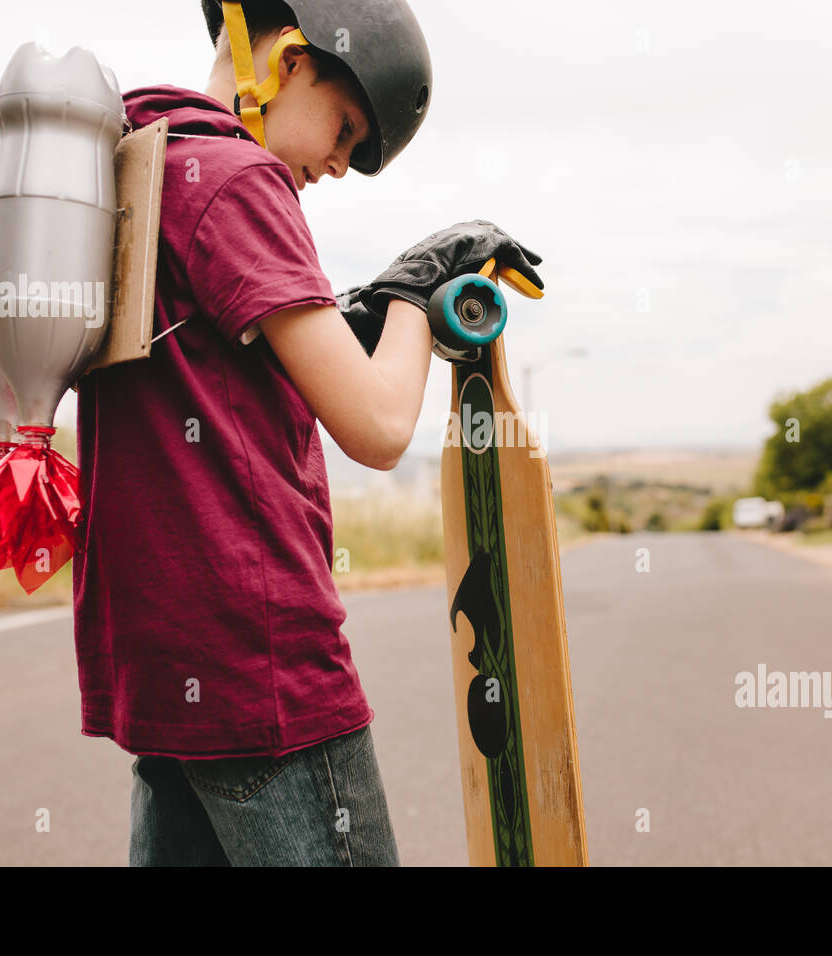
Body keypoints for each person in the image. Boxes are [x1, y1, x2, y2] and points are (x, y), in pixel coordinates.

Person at [71, 0, 545, 866]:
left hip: (166, 667)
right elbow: (377, 425)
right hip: (261, 669)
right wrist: (414, 287)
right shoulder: (240, 179)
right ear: (289, 61)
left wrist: (357, 314)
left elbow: (219, 373)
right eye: (346, 126)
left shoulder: (140, 166)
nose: (338, 164)